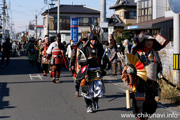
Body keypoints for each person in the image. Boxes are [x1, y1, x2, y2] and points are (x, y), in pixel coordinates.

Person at [122, 32, 166, 120]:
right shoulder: (138, 53)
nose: (150, 42)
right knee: (140, 107)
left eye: (151, 41)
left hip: (152, 84)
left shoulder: (155, 53)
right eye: (147, 41)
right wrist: (130, 69)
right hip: (140, 83)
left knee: (151, 107)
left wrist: (159, 72)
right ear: (143, 42)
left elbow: (159, 65)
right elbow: (131, 65)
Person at [77, 35, 105, 113]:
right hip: (87, 71)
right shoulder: (84, 49)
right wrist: (86, 60)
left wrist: (104, 65)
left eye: (95, 40)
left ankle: (95, 101)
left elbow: (104, 59)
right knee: (87, 90)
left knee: (98, 88)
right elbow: (79, 60)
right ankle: (89, 106)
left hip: (97, 71)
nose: (94, 42)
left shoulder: (100, 49)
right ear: (89, 40)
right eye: (92, 40)